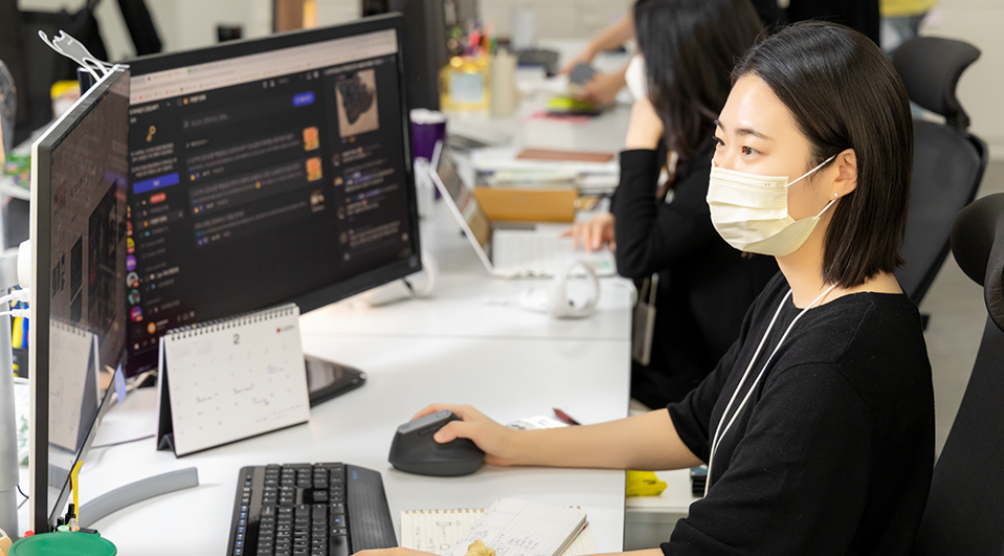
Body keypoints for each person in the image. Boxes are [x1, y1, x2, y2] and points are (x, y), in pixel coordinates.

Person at [362, 21, 935, 555]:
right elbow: (693, 424)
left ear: (842, 171)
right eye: (721, 144)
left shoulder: (832, 369)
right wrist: (516, 444)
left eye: (751, 150)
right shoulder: (805, 289)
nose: (724, 170)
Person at [565, 0, 778, 408]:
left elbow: (635, 254)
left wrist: (640, 138)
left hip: (700, 381)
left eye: (644, 50)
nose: (637, 64)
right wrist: (622, 218)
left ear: (680, 60)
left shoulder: (733, 160)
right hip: (676, 340)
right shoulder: (697, 124)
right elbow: (640, 213)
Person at [561, 0, 783, 106]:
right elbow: (651, 13)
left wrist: (617, 82)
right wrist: (592, 49)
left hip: (734, 68)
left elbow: (677, 34)